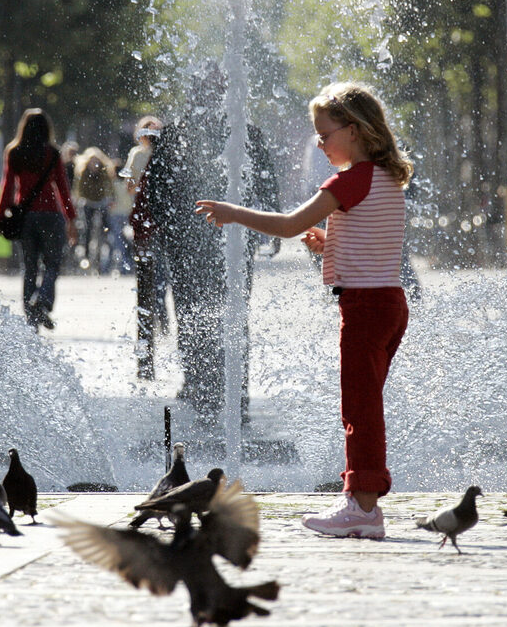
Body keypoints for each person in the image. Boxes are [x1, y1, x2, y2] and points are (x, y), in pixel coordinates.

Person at [195, 81, 412, 540]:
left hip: (366, 307)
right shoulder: (384, 177)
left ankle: (365, 509)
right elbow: (368, 243)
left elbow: (292, 223)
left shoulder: (350, 179)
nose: (320, 142)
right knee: (364, 405)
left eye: (325, 133)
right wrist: (327, 244)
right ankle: (359, 501)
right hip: (388, 303)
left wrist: (235, 212)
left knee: (360, 409)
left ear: (353, 130)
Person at [0, 108, 78, 329]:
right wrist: (71, 219)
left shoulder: (14, 152)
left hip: (27, 218)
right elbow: (63, 188)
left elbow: (7, 186)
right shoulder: (52, 153)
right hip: (52, 216)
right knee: (53, 265)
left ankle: (31, 316)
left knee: (29, 267)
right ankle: (43, 301)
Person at [124, 116, 169, 379]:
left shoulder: (137, 155)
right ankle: (162, 314)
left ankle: (146, 355)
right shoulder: (169, 155)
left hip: (144, 221)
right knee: (164, 275)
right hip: (166, 222)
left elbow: (130, 188)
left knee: (145, 279)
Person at [73, 146, 116, 272]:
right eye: (92, 161)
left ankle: (105, 247)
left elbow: (110, 187)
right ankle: (86, 253)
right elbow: (79, 188)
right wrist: (79, 199)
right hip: (88, 202)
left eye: (96, 161)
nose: (94, 164)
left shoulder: (104, 172)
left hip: (101, 202)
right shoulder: (83, 172)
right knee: (87, 228)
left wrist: (111, 198)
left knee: (106, 227)